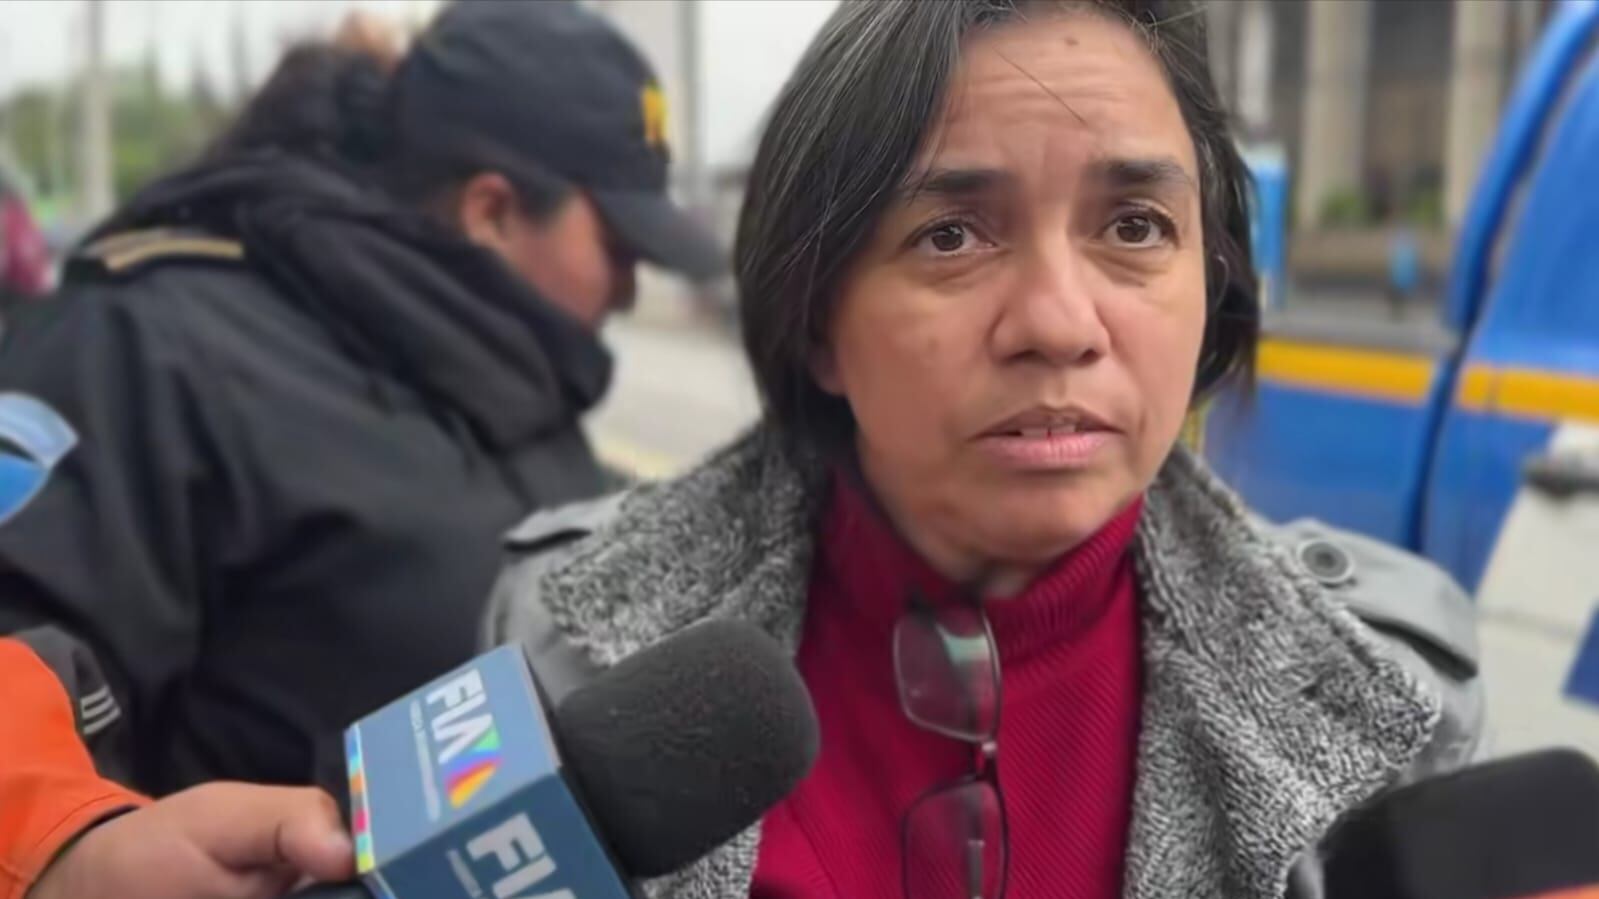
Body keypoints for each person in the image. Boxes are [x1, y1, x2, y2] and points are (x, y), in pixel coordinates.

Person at [489, 2, 1486, 898]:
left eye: (1135, 225)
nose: (1058, 323)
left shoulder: (1397, 696)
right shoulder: (561, 645)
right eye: (952, 236)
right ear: (818, 321)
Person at [0, 2, 721, 896]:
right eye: (616, 247)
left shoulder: (521, 383)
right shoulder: (144, 350)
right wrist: (68, 852)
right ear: (492, 210)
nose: (627, 288)